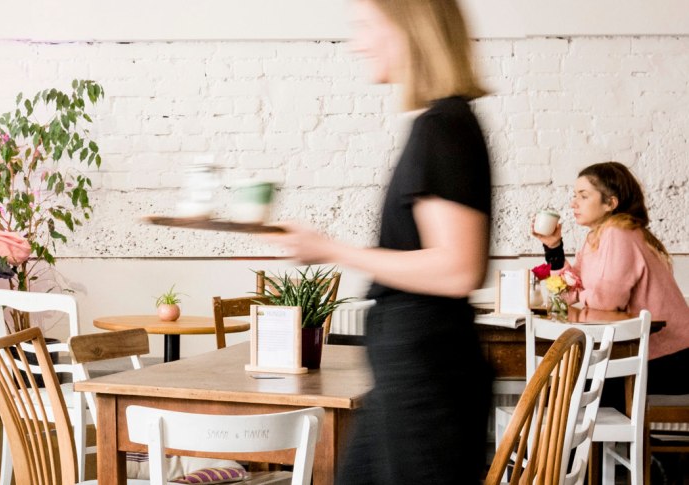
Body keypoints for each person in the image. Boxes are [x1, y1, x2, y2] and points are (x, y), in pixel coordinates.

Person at [264, 0, 493, 482]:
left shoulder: (443, 127)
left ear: (410, 30)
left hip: (425, 373)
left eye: (368, 26)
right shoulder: (439, 124)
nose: (357, 43)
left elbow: (457, 269)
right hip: (413, 368)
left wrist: (332, 250)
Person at [533, 161, 689, 395]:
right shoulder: (596, 237)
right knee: (561, 390)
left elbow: (605, 302)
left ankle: (626, 433)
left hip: (672, 357)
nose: (573, 203)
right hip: (638, 350)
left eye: (583, 196)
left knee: (562, 392)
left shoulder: (619, 234)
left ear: (610, 203)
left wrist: (582, 293)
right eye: (574, 195)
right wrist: (554, 248)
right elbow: (568, 294)